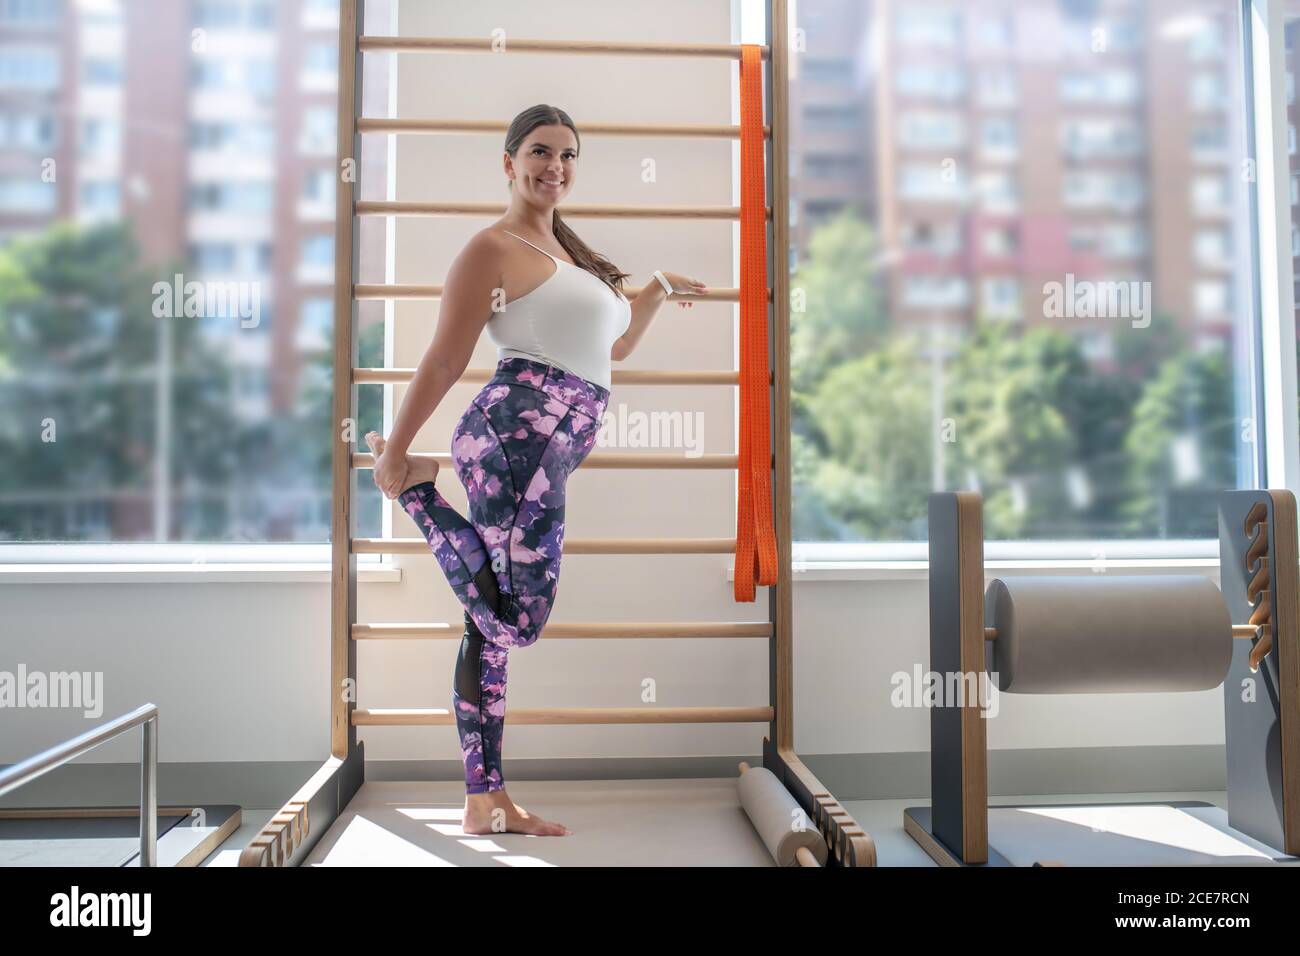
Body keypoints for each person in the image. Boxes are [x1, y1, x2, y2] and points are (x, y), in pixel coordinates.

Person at [365, 103, 706, 836]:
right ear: (509, 161)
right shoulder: (492, 249)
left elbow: (609, 356)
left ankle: (484, 797)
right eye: (542, 152)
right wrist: (395, 449)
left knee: (489, 626)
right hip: (514, 438)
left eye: (569, 156)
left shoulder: (572, 256)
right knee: (518, 621)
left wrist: (647, 295)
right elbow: (445, 357)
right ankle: (419, 492)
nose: (556, 166)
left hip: (545, 447)